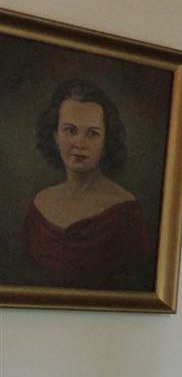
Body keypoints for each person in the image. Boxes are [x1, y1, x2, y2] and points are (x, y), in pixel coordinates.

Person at [21, 79, 150, 291]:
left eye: (92, 133)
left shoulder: (126, 213)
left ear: (106, 141)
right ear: (55, 136)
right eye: (70, 130)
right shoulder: (39, 204)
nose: (80, 143)